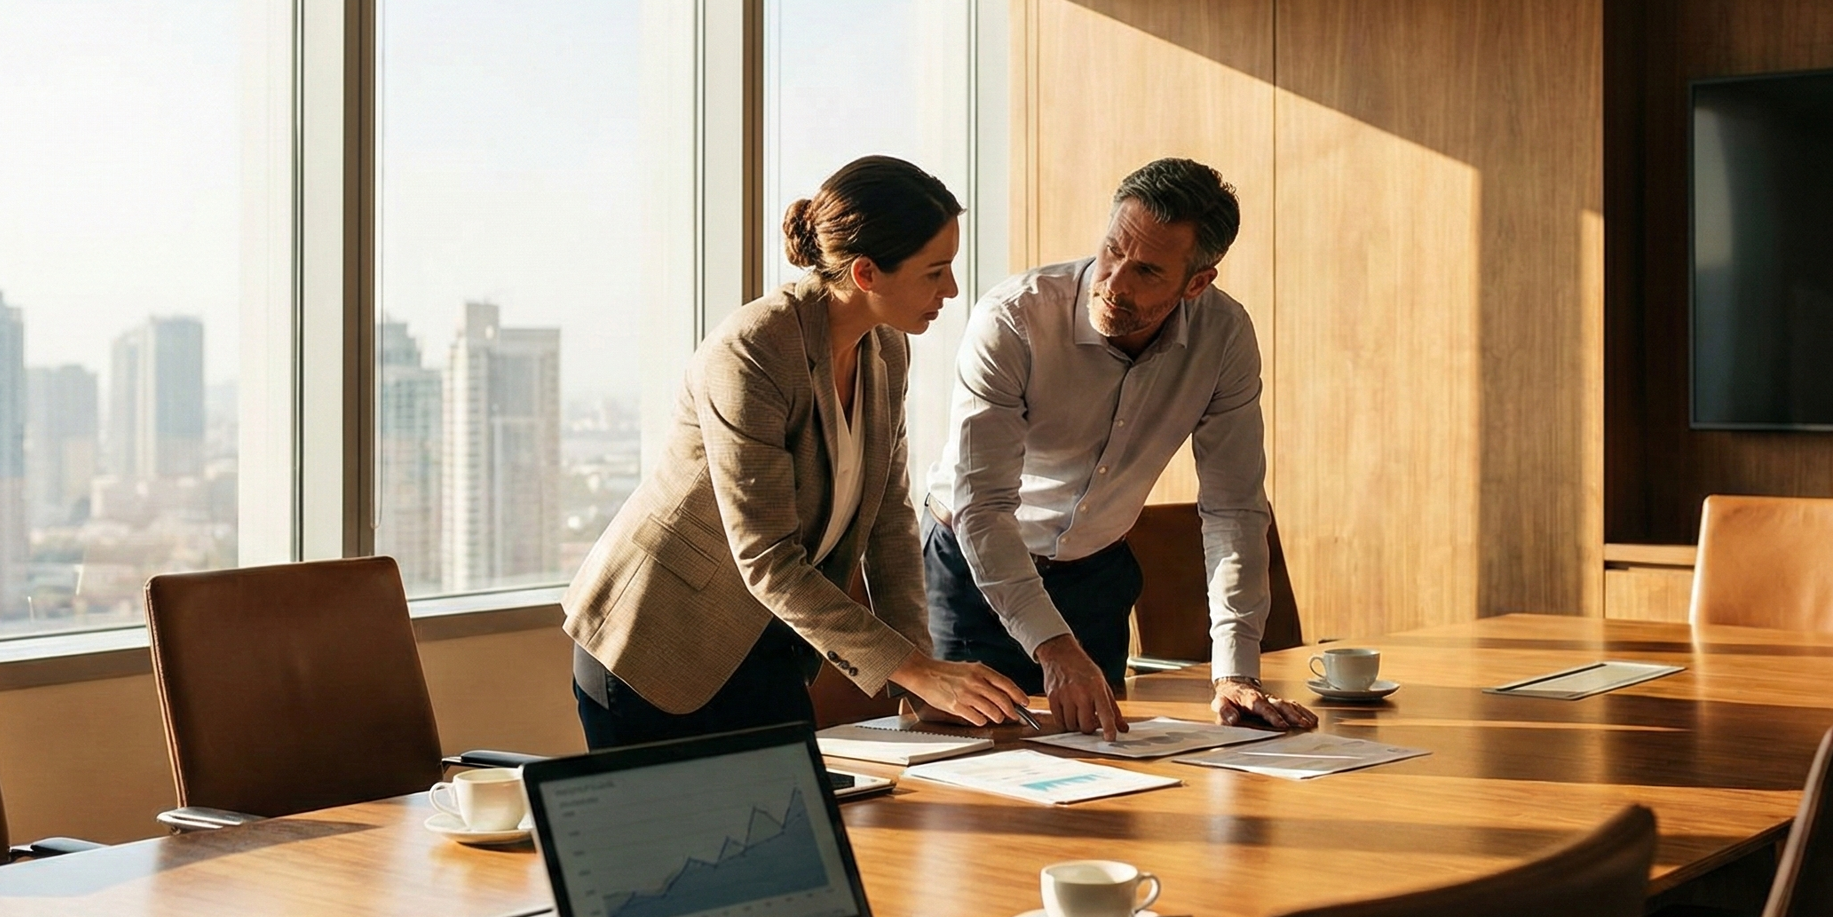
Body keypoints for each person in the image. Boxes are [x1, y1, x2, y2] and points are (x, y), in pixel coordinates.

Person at [564, 155, 1032, 749]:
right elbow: (767, 557)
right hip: (658, 648)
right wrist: (916, 671)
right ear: (866, 273)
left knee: (792, 826)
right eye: (935, 271)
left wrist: (920, 673)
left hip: (771, 641)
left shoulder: (886, 350)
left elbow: (890, 519)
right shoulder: (752, 350)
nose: (952, 289)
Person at [925, 157, 1318, 740]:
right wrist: (1055, 649)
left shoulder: (1224, 337)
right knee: (974, 772)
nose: (1114, 283)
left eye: (1146, 271)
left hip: (1096, 573)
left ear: (1197, 283)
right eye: (1112, 251)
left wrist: (1235, 672)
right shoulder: (1013, 321)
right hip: (975, 567)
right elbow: (982, 508)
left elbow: (1234, 509)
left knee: (1097, 764)